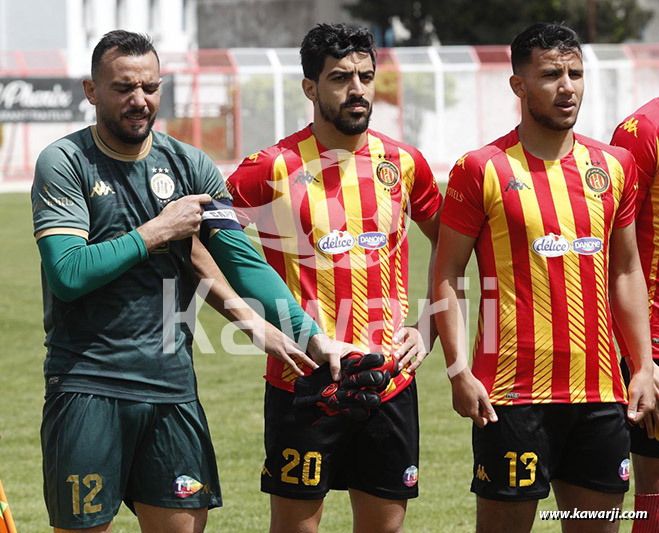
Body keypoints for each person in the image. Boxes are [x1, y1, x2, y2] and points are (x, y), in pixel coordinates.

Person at [31, 30, 348, 533]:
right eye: (123, 88)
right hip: (88, 386)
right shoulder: (64, 163)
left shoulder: (192, 166)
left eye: (151, 87)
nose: (140, 100)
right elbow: (68, 274)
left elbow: (243, 264)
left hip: (171, 389)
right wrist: (159, 230)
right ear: (91, 91)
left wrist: (310, 333)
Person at [213, 22, 442, 533]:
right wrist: (253, 321)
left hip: (389, 379)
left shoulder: (403, 163)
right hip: (304, 378)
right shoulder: (272, 167)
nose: (357, 88)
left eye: (365, 75)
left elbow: (454, 245)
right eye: (340, 77)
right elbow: (204, 235)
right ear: (310, 88)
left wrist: (428, 326)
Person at [433, 22, 656, 533]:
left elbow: (625, 269)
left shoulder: (614, 166)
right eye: (551, 74)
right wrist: (457, 370)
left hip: (601, 396)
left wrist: (641, 366)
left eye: (576, 73)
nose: (567, 86)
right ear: (518, 85)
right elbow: (447, 273)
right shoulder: (481, 168)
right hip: (510, 397)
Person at [610, 99, 659, 531]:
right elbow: (616, 253)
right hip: (655, 344)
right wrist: (642, 360)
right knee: (655, 493)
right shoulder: (642, 130)